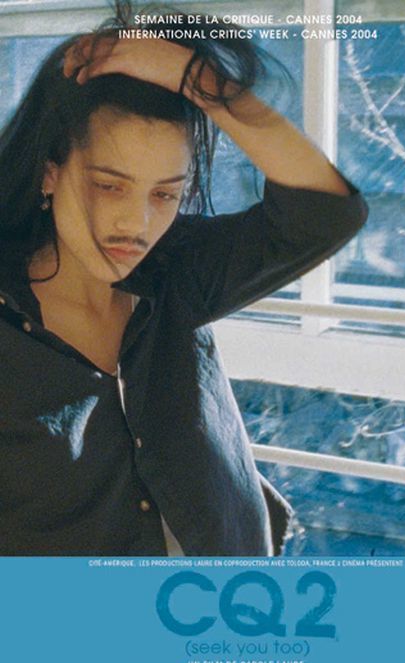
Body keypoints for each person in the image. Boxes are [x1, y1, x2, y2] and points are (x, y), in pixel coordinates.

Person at [0, 4, 368, 556]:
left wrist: (198, 81)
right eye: (109, 185)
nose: (137, 224)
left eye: (165, 193)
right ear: (50, 172)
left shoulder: (176, 271)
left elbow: (326, 214)